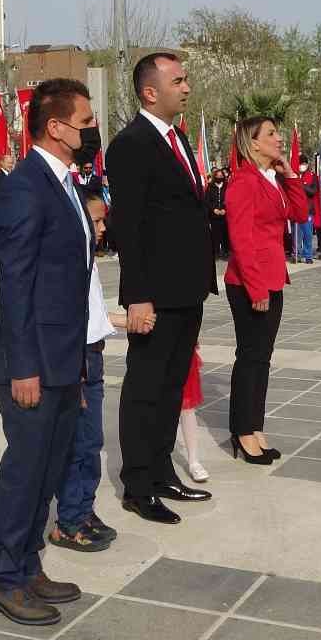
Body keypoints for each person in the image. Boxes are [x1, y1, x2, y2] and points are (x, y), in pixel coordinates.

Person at [0, 78, 97, 626]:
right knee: (25, 471)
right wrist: (23, 365)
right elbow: (15, 283)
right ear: (57, 127)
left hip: (64, 356)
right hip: (30, 361)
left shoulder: (66, 183)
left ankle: (27, 564)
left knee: (50, 468)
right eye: (87, 122)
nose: (92, 131)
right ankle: (3, 578)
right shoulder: (26, 185)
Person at [107, 52, 216, 526]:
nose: (187, 87)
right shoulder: (131, 145)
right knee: (146, 387)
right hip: (155, 291)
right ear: (150, 91)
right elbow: (129, 228)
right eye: (179, 80)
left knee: (173, 387)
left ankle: (160, 472)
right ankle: (137, 485)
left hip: (187, 287)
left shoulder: (177, 139)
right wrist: (138, 295)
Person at [223, 116, 307, 464]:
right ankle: (242, 431)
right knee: (250, 357)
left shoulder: (270, 178)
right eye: (271, 134)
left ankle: (255, 427)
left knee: (262, 358)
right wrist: (256, 288)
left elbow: (300, 214)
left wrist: (289, 174)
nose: (279, 139)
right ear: (252, 143)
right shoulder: (242, 182)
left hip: (272, 277)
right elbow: (240, 240)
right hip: (249, 282)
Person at [49, 186, 121, 553]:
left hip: (93, 352)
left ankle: (84, 509)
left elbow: (93, 311)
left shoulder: (89, 257)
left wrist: (117, 321)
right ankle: (69, 521)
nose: (102, 227)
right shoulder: (70, 260)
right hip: (77, 357)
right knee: (79, 443)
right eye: (96, 220)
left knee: (91, 442)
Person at [292, 155, 316, 264]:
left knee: (308, 234)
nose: (302, 166)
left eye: (304, 164)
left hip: (308, 210)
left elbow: (313, 191)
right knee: (297, 234)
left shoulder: (312, 176)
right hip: (296, 210)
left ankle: (308, 255)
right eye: (300, 164)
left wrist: (302, 185)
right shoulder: (293, 176)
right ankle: (296, 253)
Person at [206, 169, 229, 258]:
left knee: (225, 234)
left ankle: (225, 251)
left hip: (224, 215)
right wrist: (213, 209)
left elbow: (230, 199)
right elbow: (207, 200)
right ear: (214, 176)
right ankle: (216, 252)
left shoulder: (227, 186)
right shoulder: (210, 187)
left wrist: (225, 209)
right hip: (214, 215)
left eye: (221, 176)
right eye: (217, 176)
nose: (219, 177)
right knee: (215, 234)